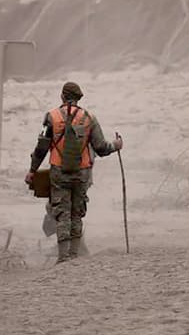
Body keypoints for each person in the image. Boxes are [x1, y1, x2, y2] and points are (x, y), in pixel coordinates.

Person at [25, 82, 123, 263]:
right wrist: (117, 146)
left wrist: (32, 171)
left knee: (63, 213)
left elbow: (41, 147)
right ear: (79, 98)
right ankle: (75, 255)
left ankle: (63, 257)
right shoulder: (89, 118)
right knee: (77, 212)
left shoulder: (51, 117)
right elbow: (101, 148)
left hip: (59, 172)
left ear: (62, 96)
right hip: (82, 172)